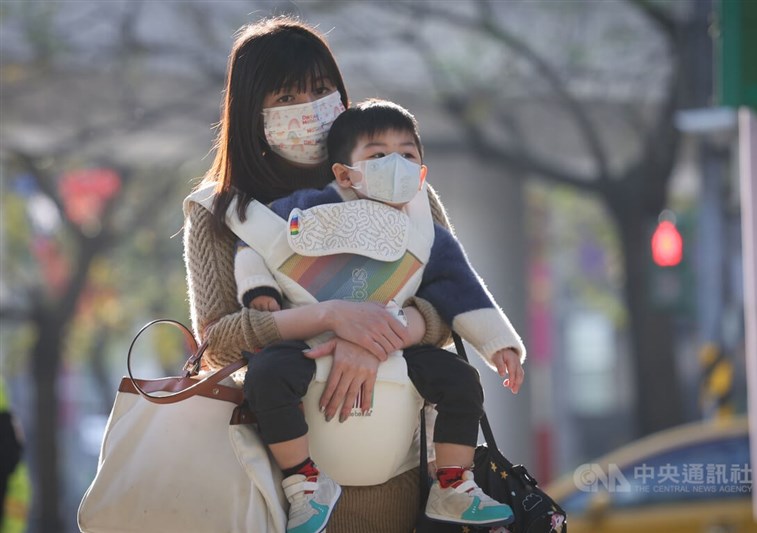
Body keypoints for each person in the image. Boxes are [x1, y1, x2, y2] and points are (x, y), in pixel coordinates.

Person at [182, 16, 456, 533]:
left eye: (321, 88)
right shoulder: (220, 211)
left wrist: (376, 334)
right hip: (280, 491)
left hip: (402, 477)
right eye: (285, 96)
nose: (308, 107)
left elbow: (451, 308)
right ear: (250, 112)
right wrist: (330, 317)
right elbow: (215, 342)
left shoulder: (400, 183)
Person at [234, 99, 526, 530]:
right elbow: (255, 242)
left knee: (461, 380)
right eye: (378, 155)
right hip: (308, 346)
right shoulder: (304, 208)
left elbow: (461, 287)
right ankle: (304, 482)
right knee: (266, 376)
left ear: (422, 172)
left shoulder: (427, 233)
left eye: (408, 155)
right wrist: (258, 290)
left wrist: (499, 343)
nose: (396, 165)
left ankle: (450, 483)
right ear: (344, 173)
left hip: (395, 351)